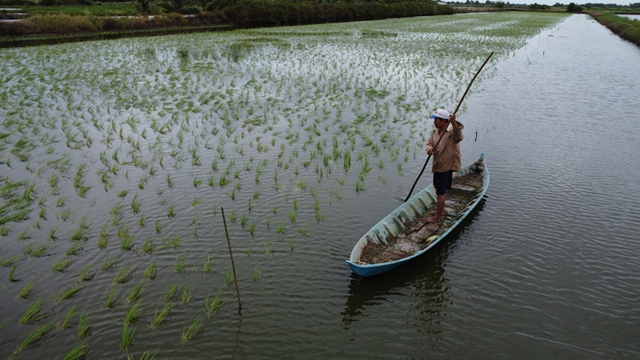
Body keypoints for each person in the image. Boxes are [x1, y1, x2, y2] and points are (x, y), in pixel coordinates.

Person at [425, 109, 464, 223]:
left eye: (436, 120)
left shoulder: (451, 132)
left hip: (446, 166)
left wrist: (453, 122)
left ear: (443, 121)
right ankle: (441, 210)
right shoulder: (436, 132)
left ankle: (437, 216)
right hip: (438, 164)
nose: (434, 122)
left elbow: (459, 137)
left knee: (440, 192)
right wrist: (430, 149)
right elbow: (429, 144)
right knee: (438, 188)